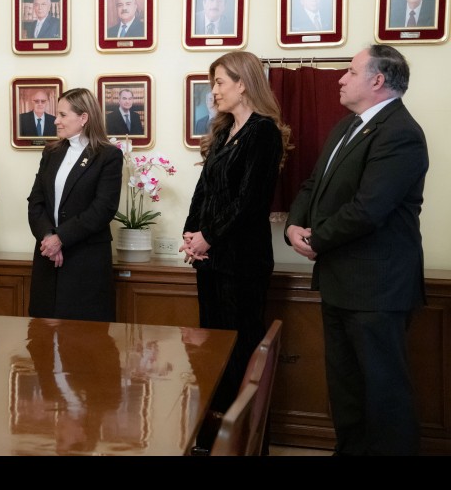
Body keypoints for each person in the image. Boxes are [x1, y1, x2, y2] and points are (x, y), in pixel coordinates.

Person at [284, 44, 428, 455]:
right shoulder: (346, 126)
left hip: (377, 287)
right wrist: (293, 225)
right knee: (346, 389)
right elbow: (313, 184)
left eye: (350, 71)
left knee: (383, 394)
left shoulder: (400, 133)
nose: (340, 78)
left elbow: (368, 209)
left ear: (378, 80)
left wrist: (316, 240)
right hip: (339, 282)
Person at [179, 51, 292, 444]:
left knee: (241, 353)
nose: (213, 91)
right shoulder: (224, 131)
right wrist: (191, 234)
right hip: (211, 261)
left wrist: (207, 236)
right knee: (212, 351)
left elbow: (249, 203)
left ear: (243, 84)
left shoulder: (263, 132)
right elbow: (204, 191)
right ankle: (212, 439)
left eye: (220, 82)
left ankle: (241, 442)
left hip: (242, 263)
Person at [27, 87, 124, 321]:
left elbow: (103, 209)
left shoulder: (108, 155)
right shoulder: (51, 152)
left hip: (85, 259)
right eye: (56, 115)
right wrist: (48, 237)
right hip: (48, 256)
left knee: (84, 336)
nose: (56, 121)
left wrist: (61, 238)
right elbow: (36, 201)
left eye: (62, 115)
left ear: (83, 118)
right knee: (43, 332)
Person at [25, 318, 121, 454]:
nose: (56, 432)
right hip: (81, 312)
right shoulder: (107, 399)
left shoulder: (50, 394)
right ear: (81, 436)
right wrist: (64, 322)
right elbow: (103, 343)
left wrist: (45, 320)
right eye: (61, 439)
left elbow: (35, 344)